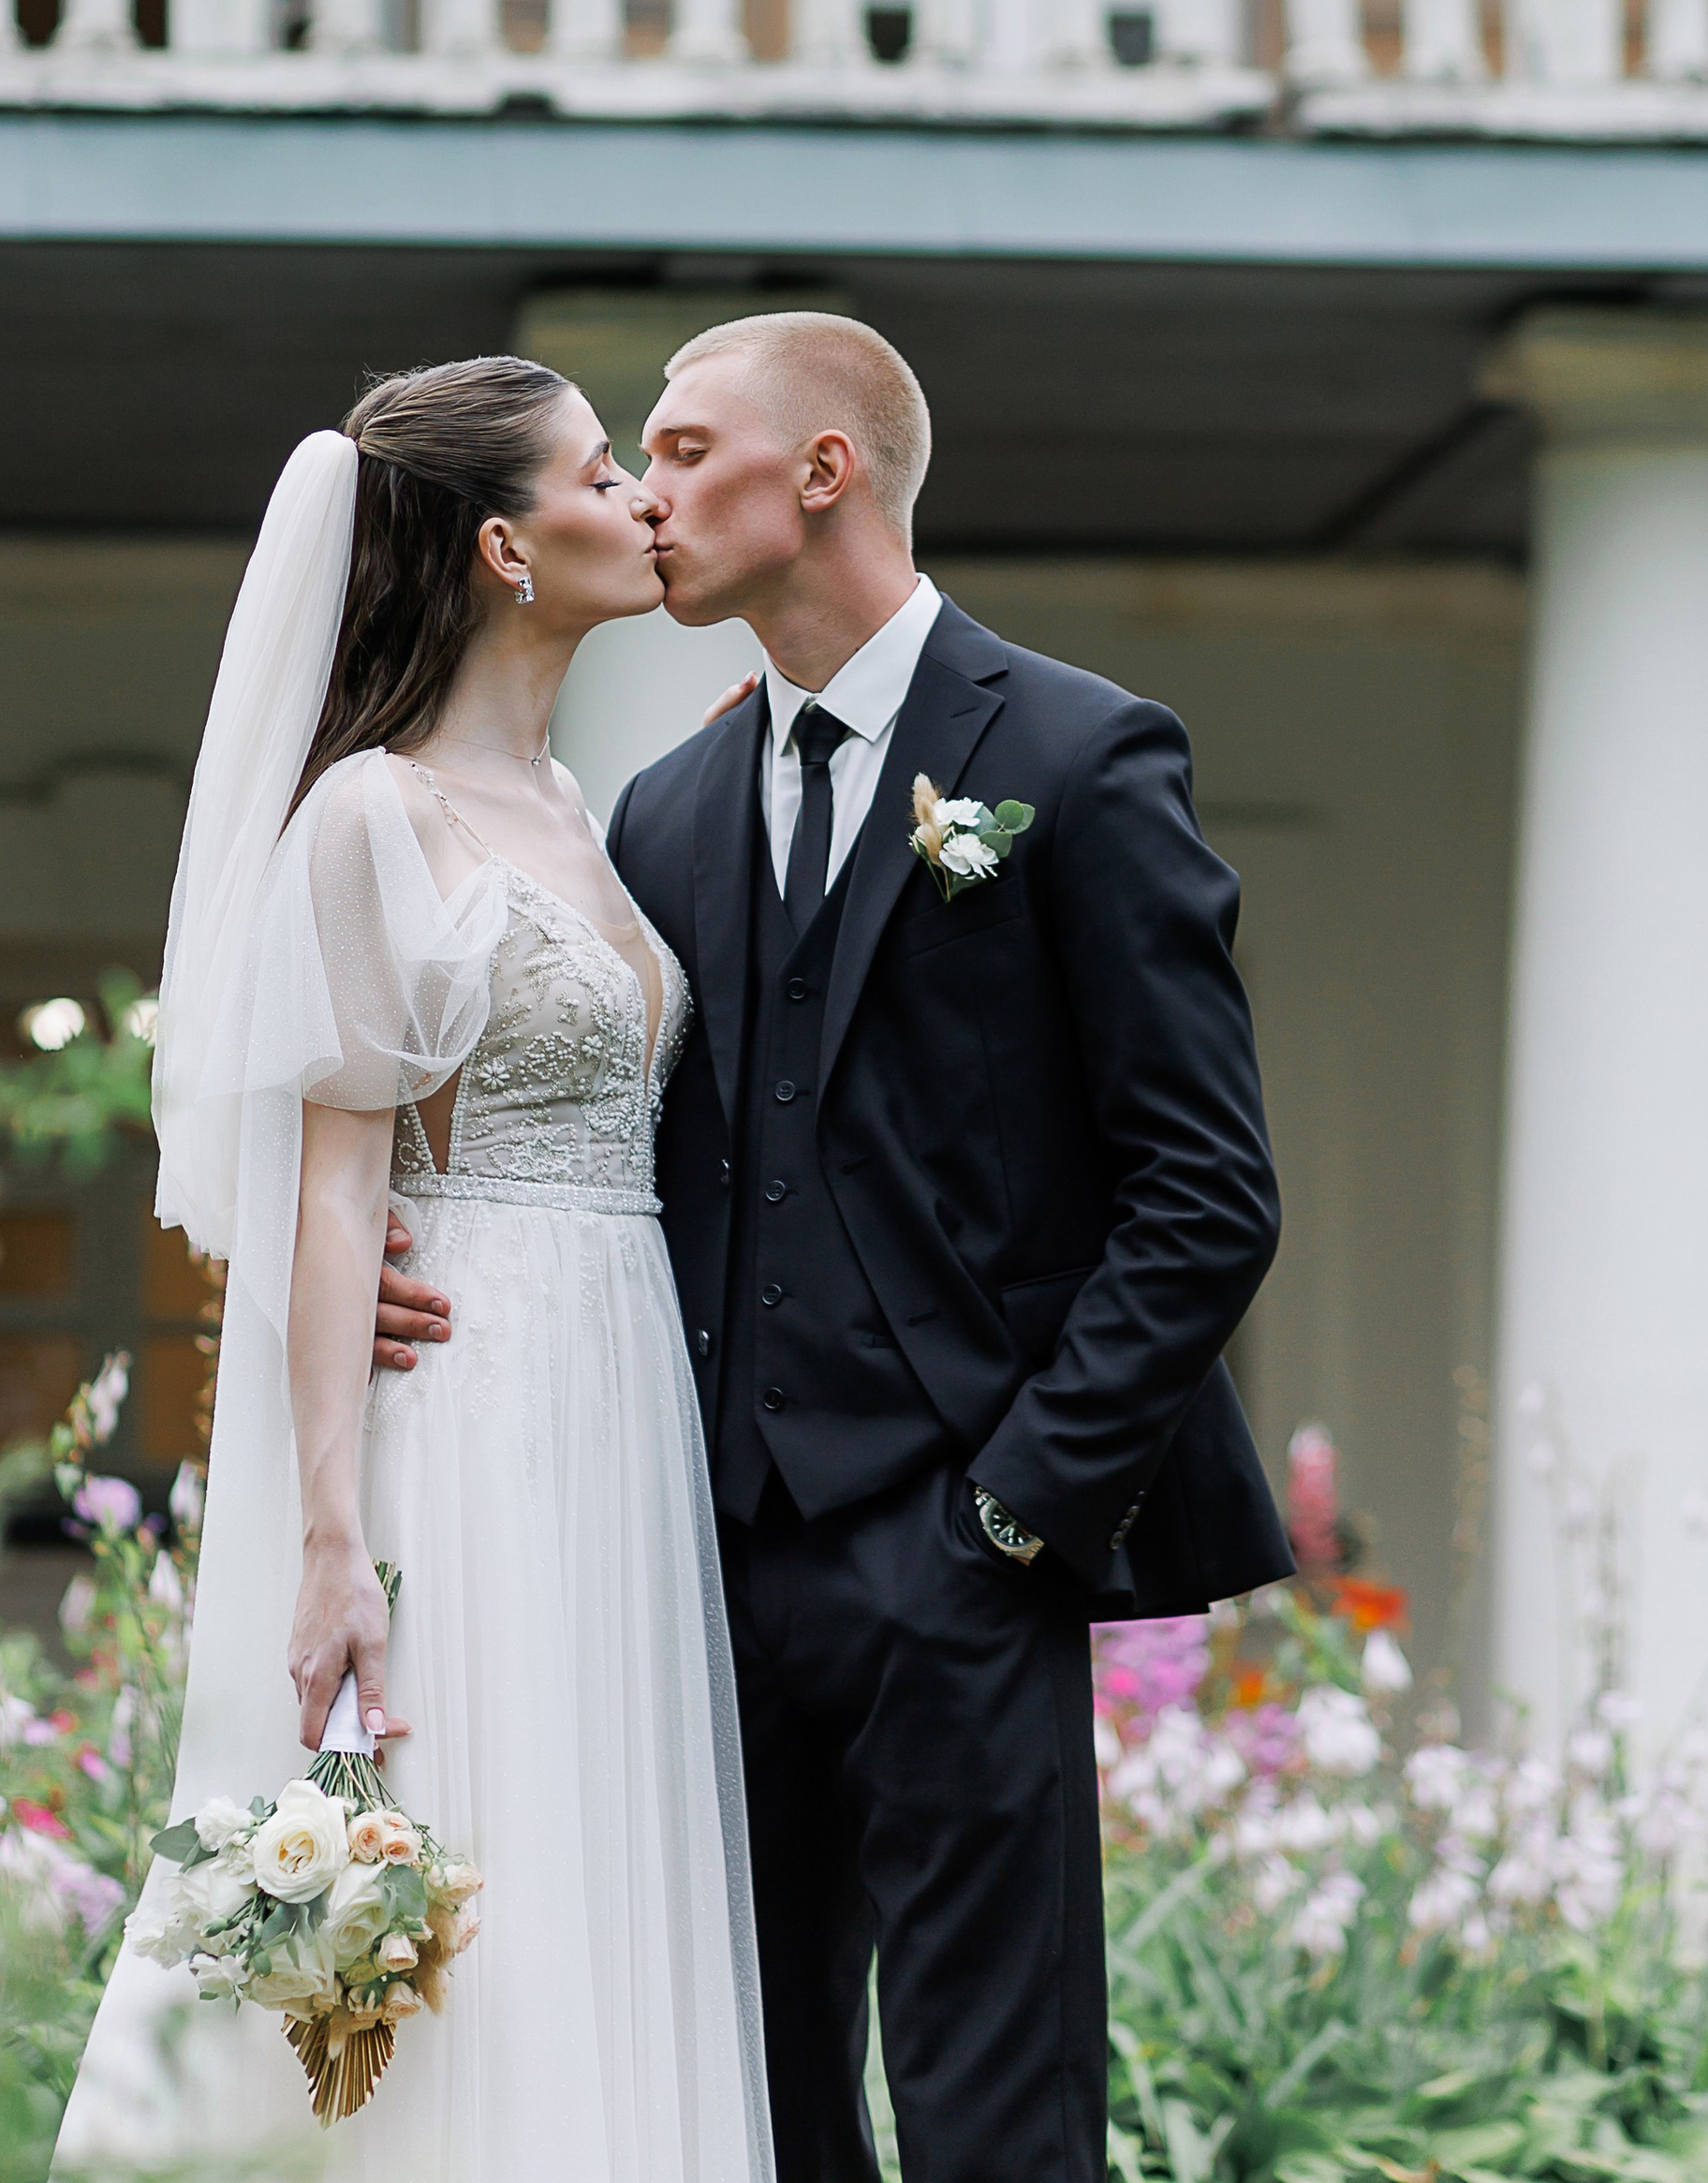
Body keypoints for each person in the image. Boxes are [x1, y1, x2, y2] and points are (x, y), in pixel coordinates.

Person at [375, 311, 1289, 2183]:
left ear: (823, 472)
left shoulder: (1073, 752)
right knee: (744, 2112)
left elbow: (1204, 1190)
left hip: (964, 1549)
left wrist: (1015, 1513)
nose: (643, 487)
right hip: (699, 1571)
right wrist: (388, 1244)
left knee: (991, 2120)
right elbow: (612, 1142)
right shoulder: (669, 807)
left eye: (685, 447)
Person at [55, 359, 774, 2183]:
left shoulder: (587, 815)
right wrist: (322, 1537)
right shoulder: (369, 816)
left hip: (624, 1401)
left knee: (601, 1851)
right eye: (607, 471)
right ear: (506, 548)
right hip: (461, 1408)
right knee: (471, 1856)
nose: (643, 501)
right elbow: (330, 1181)